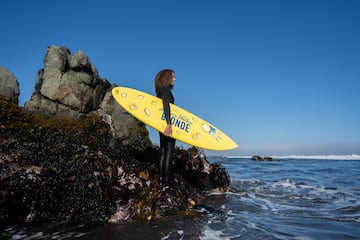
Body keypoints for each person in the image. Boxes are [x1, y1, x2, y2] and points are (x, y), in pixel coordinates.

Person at [154, 69, 176, 191]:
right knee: (169, 152)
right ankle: (166, 183)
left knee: (163, 151)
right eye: (173, 76)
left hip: (161, 124)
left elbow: (168, 108)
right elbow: (166, 106)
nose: (174, 79)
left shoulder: (160, 90)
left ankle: (162, 181)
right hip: (167, 124)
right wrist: (169, 124)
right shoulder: (166, 90)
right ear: (167, 77)